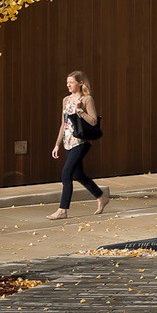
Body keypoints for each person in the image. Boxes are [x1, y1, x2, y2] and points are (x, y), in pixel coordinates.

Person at [48, 70, 111, 218]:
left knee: (66, 174)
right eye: (67, 82)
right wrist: (57, 144)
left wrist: (80, 111)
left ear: (80, 83)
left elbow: (94, 121)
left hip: (81, 142)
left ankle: (63, 210)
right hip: (67, 142)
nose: (68, 85)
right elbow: (64, 124)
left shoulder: (87, 99)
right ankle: (102, 197)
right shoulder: (66, 100)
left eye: (71, 82)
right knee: (79, 175)